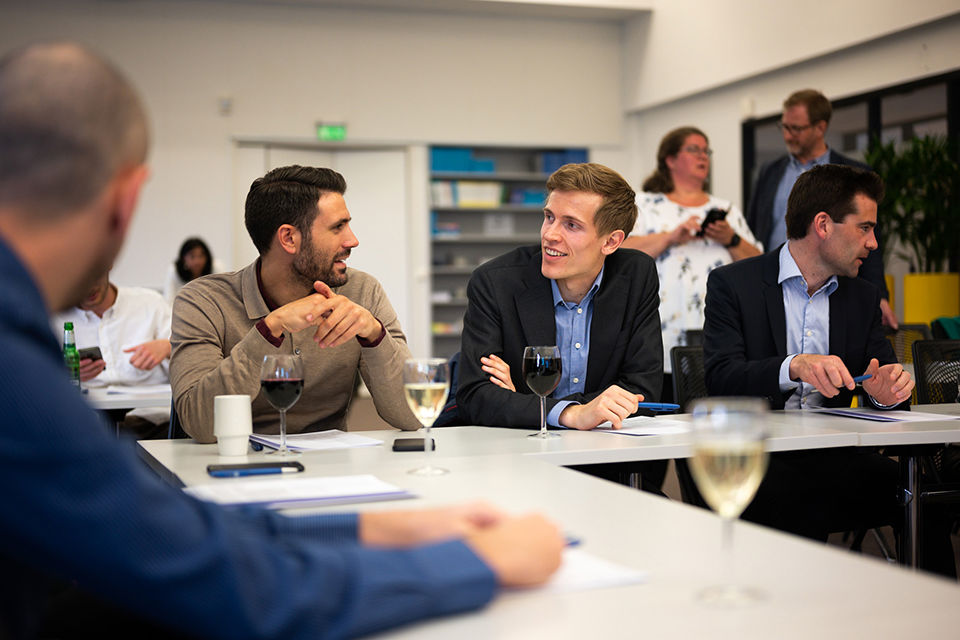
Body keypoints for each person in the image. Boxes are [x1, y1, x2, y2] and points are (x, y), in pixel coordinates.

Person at [0, 42, 563, 638]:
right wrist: (478, 563)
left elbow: (176, 530)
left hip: (318, 492)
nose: (353, 240)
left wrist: (379, 528)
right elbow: (219, 575)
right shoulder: (24, 364)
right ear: (127, 196)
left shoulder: (19, 337)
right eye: (340, 226)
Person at [702, 163, 911, 541]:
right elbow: (720, 377)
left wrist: (884, 395)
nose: (873, 243)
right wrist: (793, 366)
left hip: (836, 456)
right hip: (759, 458)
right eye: (865, 227)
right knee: (797, 501)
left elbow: (888, 386)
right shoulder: (734, 284)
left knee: (922, 497)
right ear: (823, 225)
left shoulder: (863, 297)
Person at [170, 165, 420, 442]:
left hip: (334, 473)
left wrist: (374, 334)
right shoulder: (204, 300)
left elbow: (412, 415)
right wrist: (270, 329)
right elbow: (200, 423)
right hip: (232, 468)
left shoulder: (362, 292)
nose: (353, 240)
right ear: (289, 238)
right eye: (338, 227)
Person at [456, 162, 666, 491]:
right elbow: (475, 395)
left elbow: (642, 390)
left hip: (610, 467)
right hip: (516, 466)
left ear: (611, 242)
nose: (550, 234)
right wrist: (572, 413)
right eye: (549, 217)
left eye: (571, 225)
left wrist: (524, 399)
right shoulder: (495, 282)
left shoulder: (636, 275)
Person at [622, 126, 761, 400]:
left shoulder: (727, 210)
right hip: (659, 335)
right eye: (693, 149)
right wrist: (670, 237)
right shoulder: (645, 204)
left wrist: (730, 239)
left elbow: (760, 266)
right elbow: (618, 252)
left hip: (717, 335)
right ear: (670, 160)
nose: (703, 156)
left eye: (706, 151)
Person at [745, 89, 897, 328]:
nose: (787, 135)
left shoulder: (854, 174)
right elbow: (753, 228)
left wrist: (879, 295)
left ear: (820, 127)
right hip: (774, 285)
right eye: (784, 127)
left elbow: (868, 237)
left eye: (796, 128)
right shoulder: (769, 172)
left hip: (833, 287)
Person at [52, 272, 172, 437]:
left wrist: (168, 346)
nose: (88, 289)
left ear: (108, 265)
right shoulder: (54, 318)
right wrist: (65, 373)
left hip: (151, 421)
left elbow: (195, 353)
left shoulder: (150, 303)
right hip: (84, 421)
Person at [163, 236, 225, 305]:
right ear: (184, 258)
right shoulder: (174, 270)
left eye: (201, 256)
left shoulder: (216, 267)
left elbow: (221, 297)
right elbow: (169, 301)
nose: (197, 261)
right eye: (192, 257)